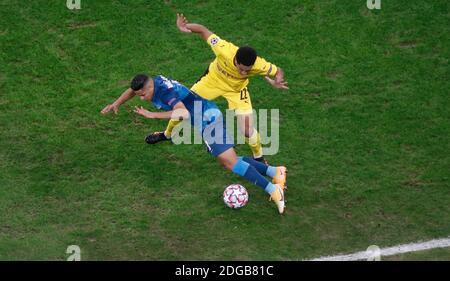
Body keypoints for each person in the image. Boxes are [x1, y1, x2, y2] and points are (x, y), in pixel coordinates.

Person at [101, 74, 287, 214]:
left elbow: (182, 113)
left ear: (150, 87)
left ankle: (274, 190)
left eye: (143, 95)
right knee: (228, 160)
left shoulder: (165, 93)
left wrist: (153, 115)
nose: (141, 98)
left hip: (208, 119)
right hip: (204, 118)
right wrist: (117, 103)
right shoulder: (152, 82)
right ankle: (275, 172)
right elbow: (132, 91)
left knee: (231, 163)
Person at [145, 14, 289, 164]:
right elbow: (203, 30)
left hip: (236, 90)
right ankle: (167, 135)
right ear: (235, 60)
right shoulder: (224, 49)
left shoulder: (258, 64)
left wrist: (277, 79)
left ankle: (259, 157)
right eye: (241, 69)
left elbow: (277, 70)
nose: (244, 73)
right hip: (212, 82)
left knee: (246, 129)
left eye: (248, 70)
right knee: (183, 106)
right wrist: (185, 27)